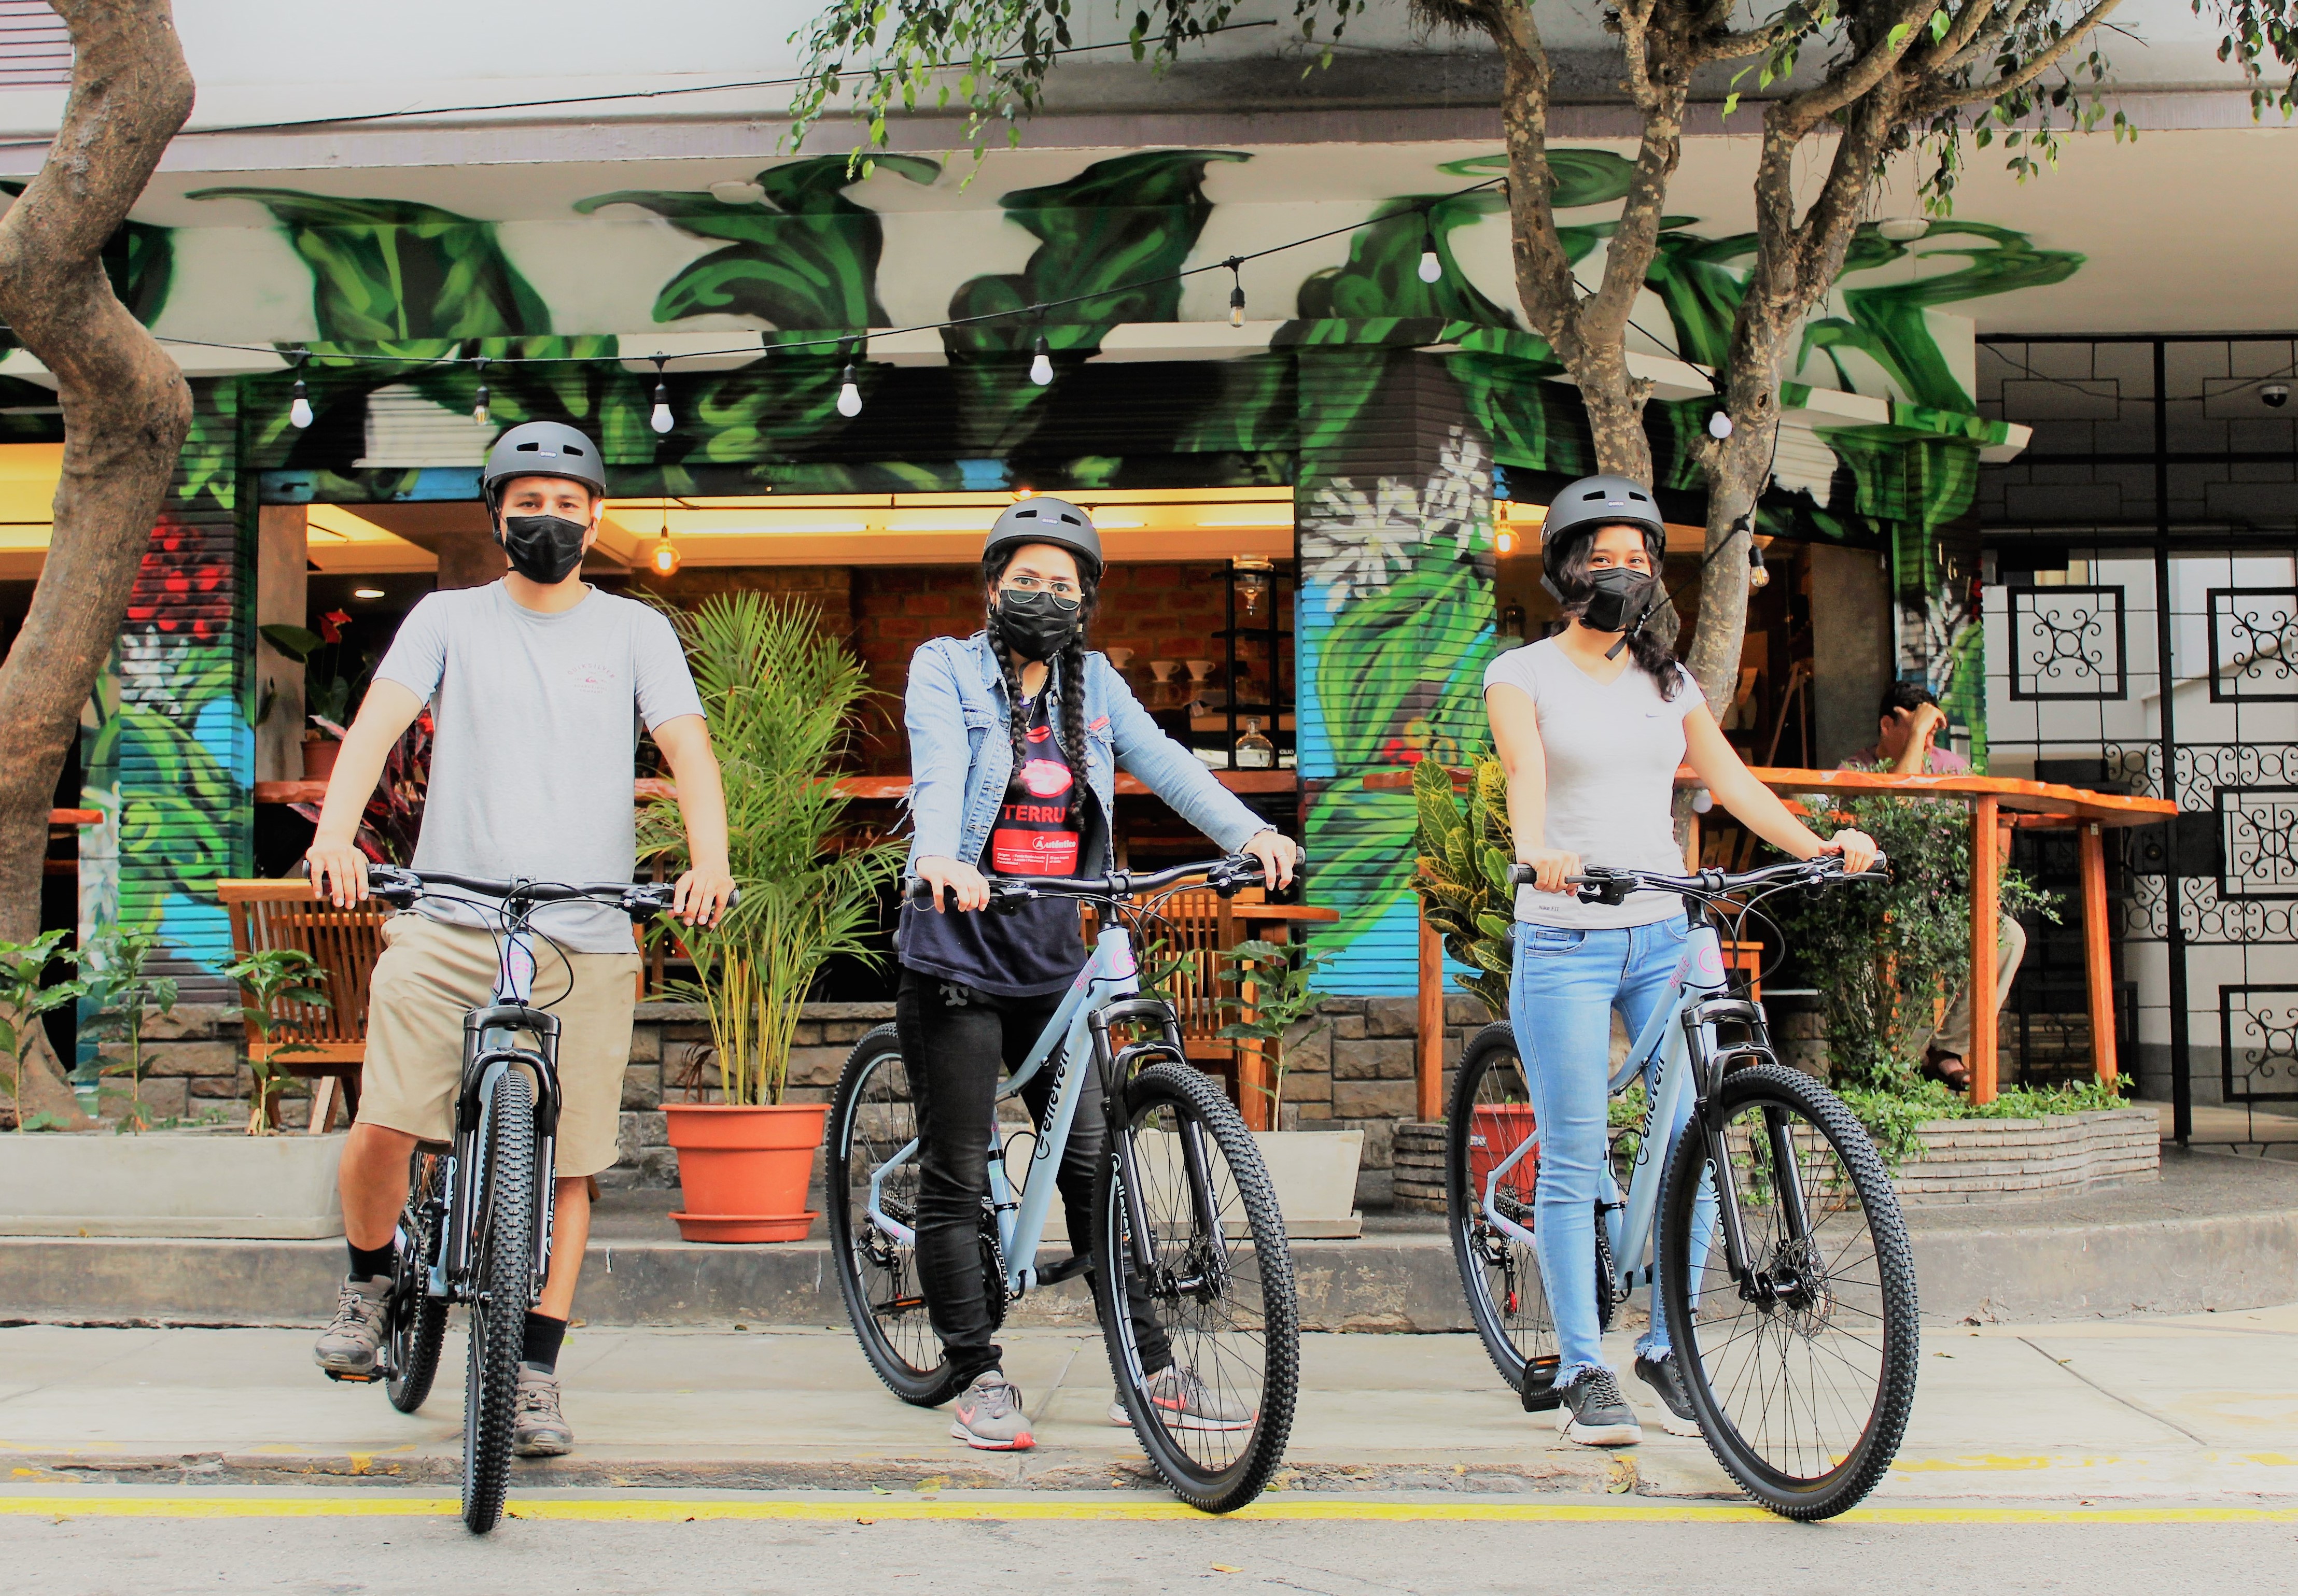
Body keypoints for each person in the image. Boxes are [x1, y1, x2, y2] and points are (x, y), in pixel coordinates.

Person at [303, 421, 736, 1457]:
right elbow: (374, 724)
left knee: (573, 1163)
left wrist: (709, 859)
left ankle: (534, 1369)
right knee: (387, 1125)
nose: (548, 518)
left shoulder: (635, 632)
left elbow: (687, 747)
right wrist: (333, 834)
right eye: (527, 502)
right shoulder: (450, 619)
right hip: (451, 913)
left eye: (567, 502)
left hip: (586, 930)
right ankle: (369, 1283)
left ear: (596, 517)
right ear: (497, 515)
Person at [1485, 474, 1878, 1448]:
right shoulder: (1521, 671)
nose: (1620, 571)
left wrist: (1813, 843)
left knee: (1703, 1136)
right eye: (1600, 556)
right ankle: (1583, 1365)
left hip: (1670, 924)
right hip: (1565, 926)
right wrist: (1539, 850)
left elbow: (1729, 776)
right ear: (1565, 569)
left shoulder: (1669, 679)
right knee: (1576, 1151)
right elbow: (1524, 778)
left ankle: (1669, 1342)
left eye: (1637, 557)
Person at [901, 496, 1299, 1451]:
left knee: (1093, 1168)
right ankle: (977, 1368)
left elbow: (1166, 764)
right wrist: (938, 853)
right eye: (1025, 579)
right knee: (956, 1170)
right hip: (957, 941)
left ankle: (1149, 1368)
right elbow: (939, 767)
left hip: (1048, 949)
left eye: (1061, 584)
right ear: (991, 587)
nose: (1042, 596)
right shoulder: (945, 666)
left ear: (1086, 602)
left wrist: (1249, 831)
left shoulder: (1095, 683)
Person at [1845, 681, 2024, 1093]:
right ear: (1887, 725)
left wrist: (1987, 886)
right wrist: (1913, 744)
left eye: (1932, 731)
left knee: (2008, 935)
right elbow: (1895, 805)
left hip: (1942, 902)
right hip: (1881, 902)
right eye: (1920, 729)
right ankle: (1887, 1066)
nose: (1928, 742)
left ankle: (1948, 1050)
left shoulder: (1950, 765)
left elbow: (1992, 819)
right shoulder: (1855, 768)